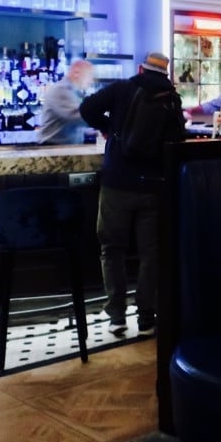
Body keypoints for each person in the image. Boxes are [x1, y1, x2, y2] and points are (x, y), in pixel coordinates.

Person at [79, 52, 186, 337]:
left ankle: (116, 316)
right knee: (151, 253)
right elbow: (178, 141)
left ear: (140, 68)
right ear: (165, 73)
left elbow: (87, 108)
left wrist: (109, 129)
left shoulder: (122, 88)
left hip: (117, 181)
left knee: (111, 248)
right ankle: (146, 318)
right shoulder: (172, 99)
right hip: (153, 185)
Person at [37, 59, 94, 144]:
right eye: (89, 75)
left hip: (64, 148)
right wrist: (105, 122)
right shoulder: (61, 90)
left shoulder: (73, 91)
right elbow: (76, 117)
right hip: (53, 149)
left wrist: (88, 132)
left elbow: (66, 124)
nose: (91, 81)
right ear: (76, 73)